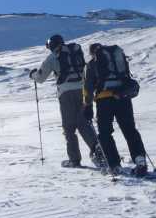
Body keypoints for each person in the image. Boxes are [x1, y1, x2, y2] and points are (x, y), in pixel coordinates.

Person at [30, 34, 102, 169]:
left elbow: (40, 78)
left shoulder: (53, 57)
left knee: (69, 127)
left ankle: (74, 160)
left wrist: (32, 74)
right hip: (82, 90)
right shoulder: (75, 52)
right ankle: (98, 153)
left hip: (66, 93)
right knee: (83, 123)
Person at [82, 43, 148, 176]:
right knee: (129, 129)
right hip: (122, 96)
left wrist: (87, 106)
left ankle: (114, 165)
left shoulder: (92, 64)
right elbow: (127, 77)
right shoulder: (119, 60)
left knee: (105, 133)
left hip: (104, 100)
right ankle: (140, 160)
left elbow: (88, 87)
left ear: (92, 53)